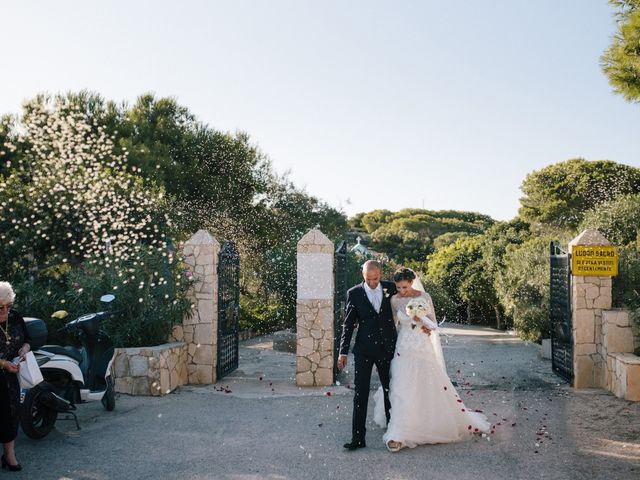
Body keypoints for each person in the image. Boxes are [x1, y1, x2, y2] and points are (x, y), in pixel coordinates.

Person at [375, 268, 490, 452]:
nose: (401, 291)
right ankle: (398, 433)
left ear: (411, 282)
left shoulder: (424, 296)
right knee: (401, 389)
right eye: (398, 287)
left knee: (426, 385)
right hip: (403, 348)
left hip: (422, 347)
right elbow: (393, 325)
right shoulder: (395, 300)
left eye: (404, 287)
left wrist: (422, 321)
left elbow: (434, 324)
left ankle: (428, 424)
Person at [337, 260, 398, 450]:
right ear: (362, 275)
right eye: (368, 279)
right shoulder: (353, 293)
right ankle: (358, 439)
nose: (372, 283)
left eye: (376, 279)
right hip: (363, 350)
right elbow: (348, 325)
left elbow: (408, 304)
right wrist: (343, 352)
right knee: (360, 394)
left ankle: (393, 434)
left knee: (391, 391)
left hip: (387, 349)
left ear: (381, 274)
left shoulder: (391, 288)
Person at [0, 282, 31, 472]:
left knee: (10, 416)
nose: (5, 310)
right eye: (0, 307)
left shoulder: (15, 316)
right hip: (3, 371)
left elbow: (27, 339)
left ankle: (9, 455)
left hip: (12, 377)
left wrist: (25, 349)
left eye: (8, 306)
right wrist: (2, 363)